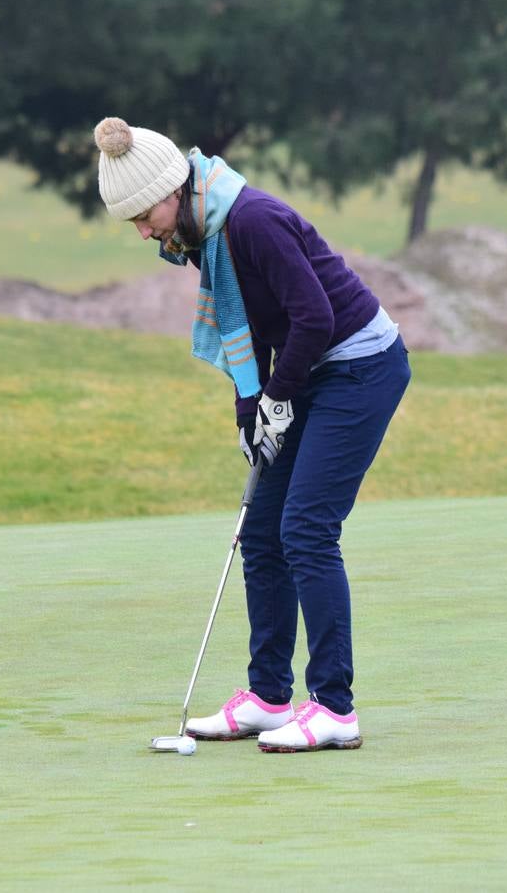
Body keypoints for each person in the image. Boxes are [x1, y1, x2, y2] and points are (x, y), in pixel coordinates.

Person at [94, 117, 410, 752]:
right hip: (311, 370)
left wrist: (279, 397)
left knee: (307, 528)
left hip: (361, 367)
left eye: (144, 215)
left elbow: (313, 317)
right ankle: (269, 697)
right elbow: (259, 329)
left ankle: (334, 709)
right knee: (262, 529)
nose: (144, 231)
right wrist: (251, 408)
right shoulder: (209, 233)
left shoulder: (252, 222)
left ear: (175, 190)